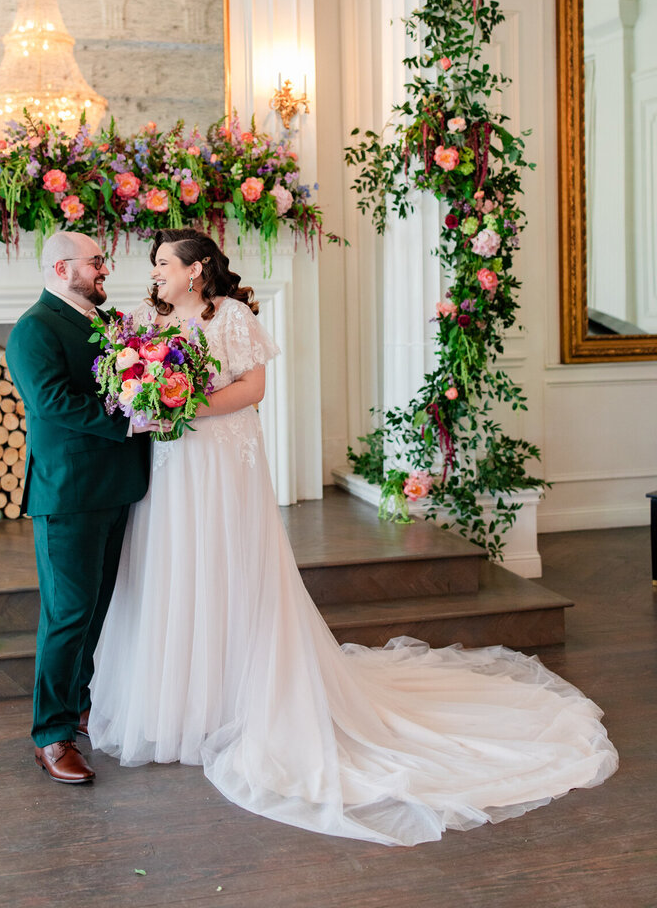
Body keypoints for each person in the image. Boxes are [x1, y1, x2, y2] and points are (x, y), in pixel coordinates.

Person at [89, 228, 618, 845]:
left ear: (197, 268)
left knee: (226, 564)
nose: (155, 271)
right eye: (155, 263)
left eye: (163, 262)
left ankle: (237, 699)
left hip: (220, 458)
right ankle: (179, 705)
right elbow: (130, 381)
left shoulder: (230, 315)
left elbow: (253, 389)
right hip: (172, 462)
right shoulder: (145, 319)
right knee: (176, 567)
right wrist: (146, 402)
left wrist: (185, 408)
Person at [7, 230, 158, 785]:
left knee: (95, 611)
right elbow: (53, 402)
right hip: (68, 493)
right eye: (95, 261)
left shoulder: (107, 320)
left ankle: (80, 704)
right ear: (61, 268)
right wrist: (132, 421)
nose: (104, 269)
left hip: (116, 487)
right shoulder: (33, 329)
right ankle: (51, 734)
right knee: (67, 615)